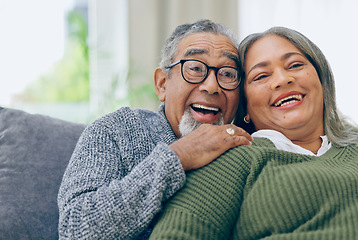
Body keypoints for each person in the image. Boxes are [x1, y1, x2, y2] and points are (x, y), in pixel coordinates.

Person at [148, 26, 358, 239]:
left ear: (321, 80)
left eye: (295, 65)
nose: (281, 80)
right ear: (245, 105)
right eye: (261, 75)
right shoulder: (232, 163)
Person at [57, 19, 253, 240]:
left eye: (227, 73)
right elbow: (75, 229)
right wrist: (179, 157)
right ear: (162, 84)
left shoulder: (248, 147)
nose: (211, 86)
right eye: (195, 68)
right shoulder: (116, 130)